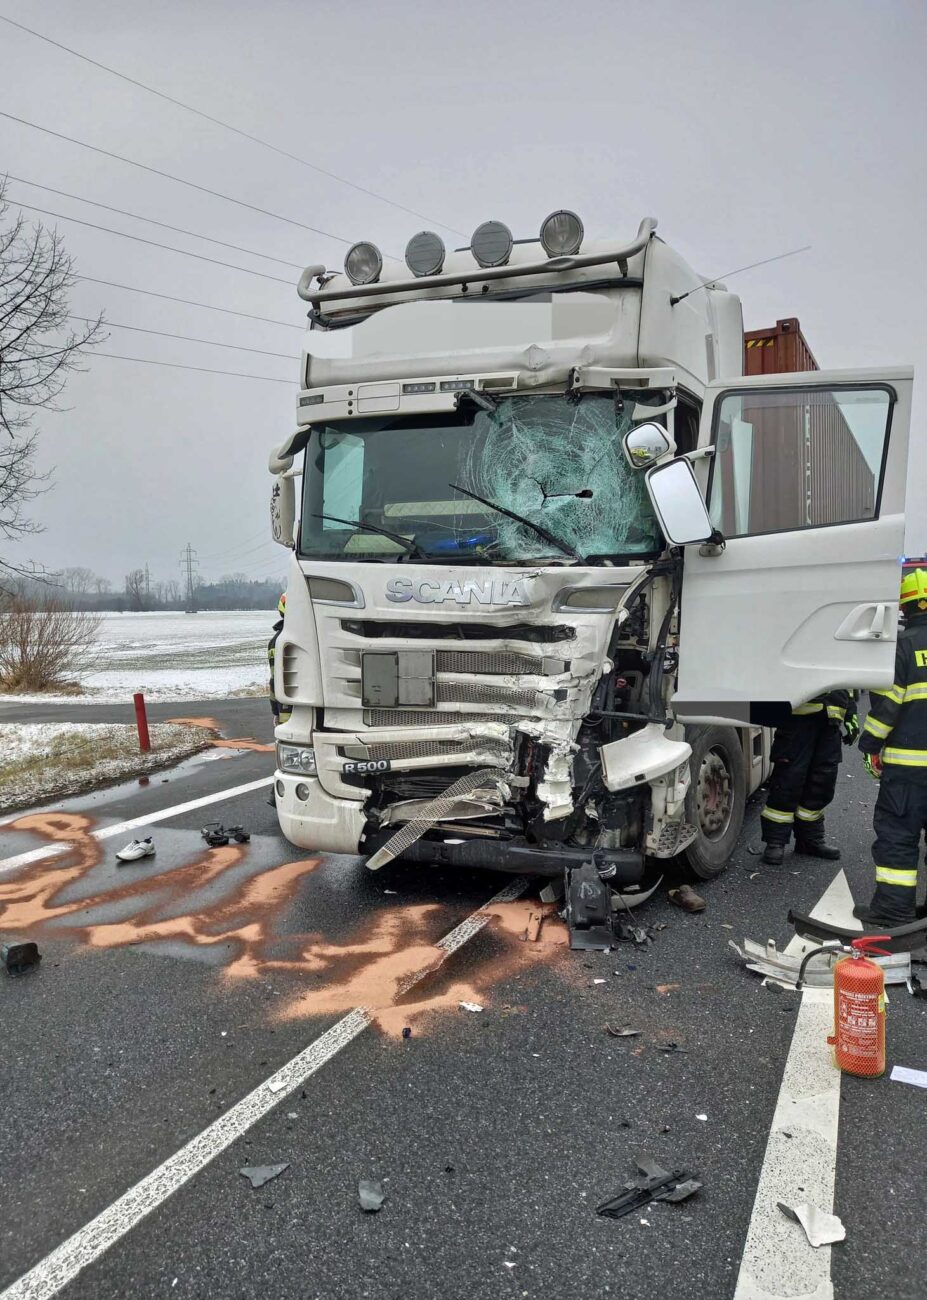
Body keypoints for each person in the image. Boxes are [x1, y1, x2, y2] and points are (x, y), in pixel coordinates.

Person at [855, 565, 927, 924]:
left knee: (898, 837)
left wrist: (869, 743)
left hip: (909, 770)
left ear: (909, 607)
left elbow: (888, 707)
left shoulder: (903, 647)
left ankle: (893, 911)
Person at [760, 691, 858, 865]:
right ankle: (775, 841)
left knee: (822, 784)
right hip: (796, 721)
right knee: (788, 782)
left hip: (830, 723)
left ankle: (809, 840)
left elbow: (846, 679)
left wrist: (850, 714)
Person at [268, 593, 291, 726]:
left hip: (285, 708)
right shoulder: (312, 636)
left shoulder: (275, 642)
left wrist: (275, 711)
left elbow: (274, 680)